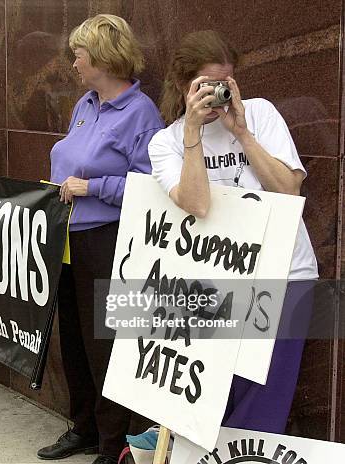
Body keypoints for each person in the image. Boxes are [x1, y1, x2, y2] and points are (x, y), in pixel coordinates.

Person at [148, 30, 318, 433]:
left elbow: (289, 189)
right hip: (216, 286)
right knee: (216, 401)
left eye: (225, 83)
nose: (218, 94)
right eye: (207, 85)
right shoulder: (166, 142)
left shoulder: (260, 114)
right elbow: (197, 203)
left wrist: (242, 132)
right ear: (182, 85)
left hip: (284, 277)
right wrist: (192, 132)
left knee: (265, 400)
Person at [37, 15, 164, 464]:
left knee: (104, 345)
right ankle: (83, 427)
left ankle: (113, 446)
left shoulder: (141, 112)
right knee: (72, 338)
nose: (73, 63)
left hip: (108, 241)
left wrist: (93, 188)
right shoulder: (85, 103)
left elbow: (153, 185)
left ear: (104, 57)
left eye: (79, 54)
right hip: (68, 237)